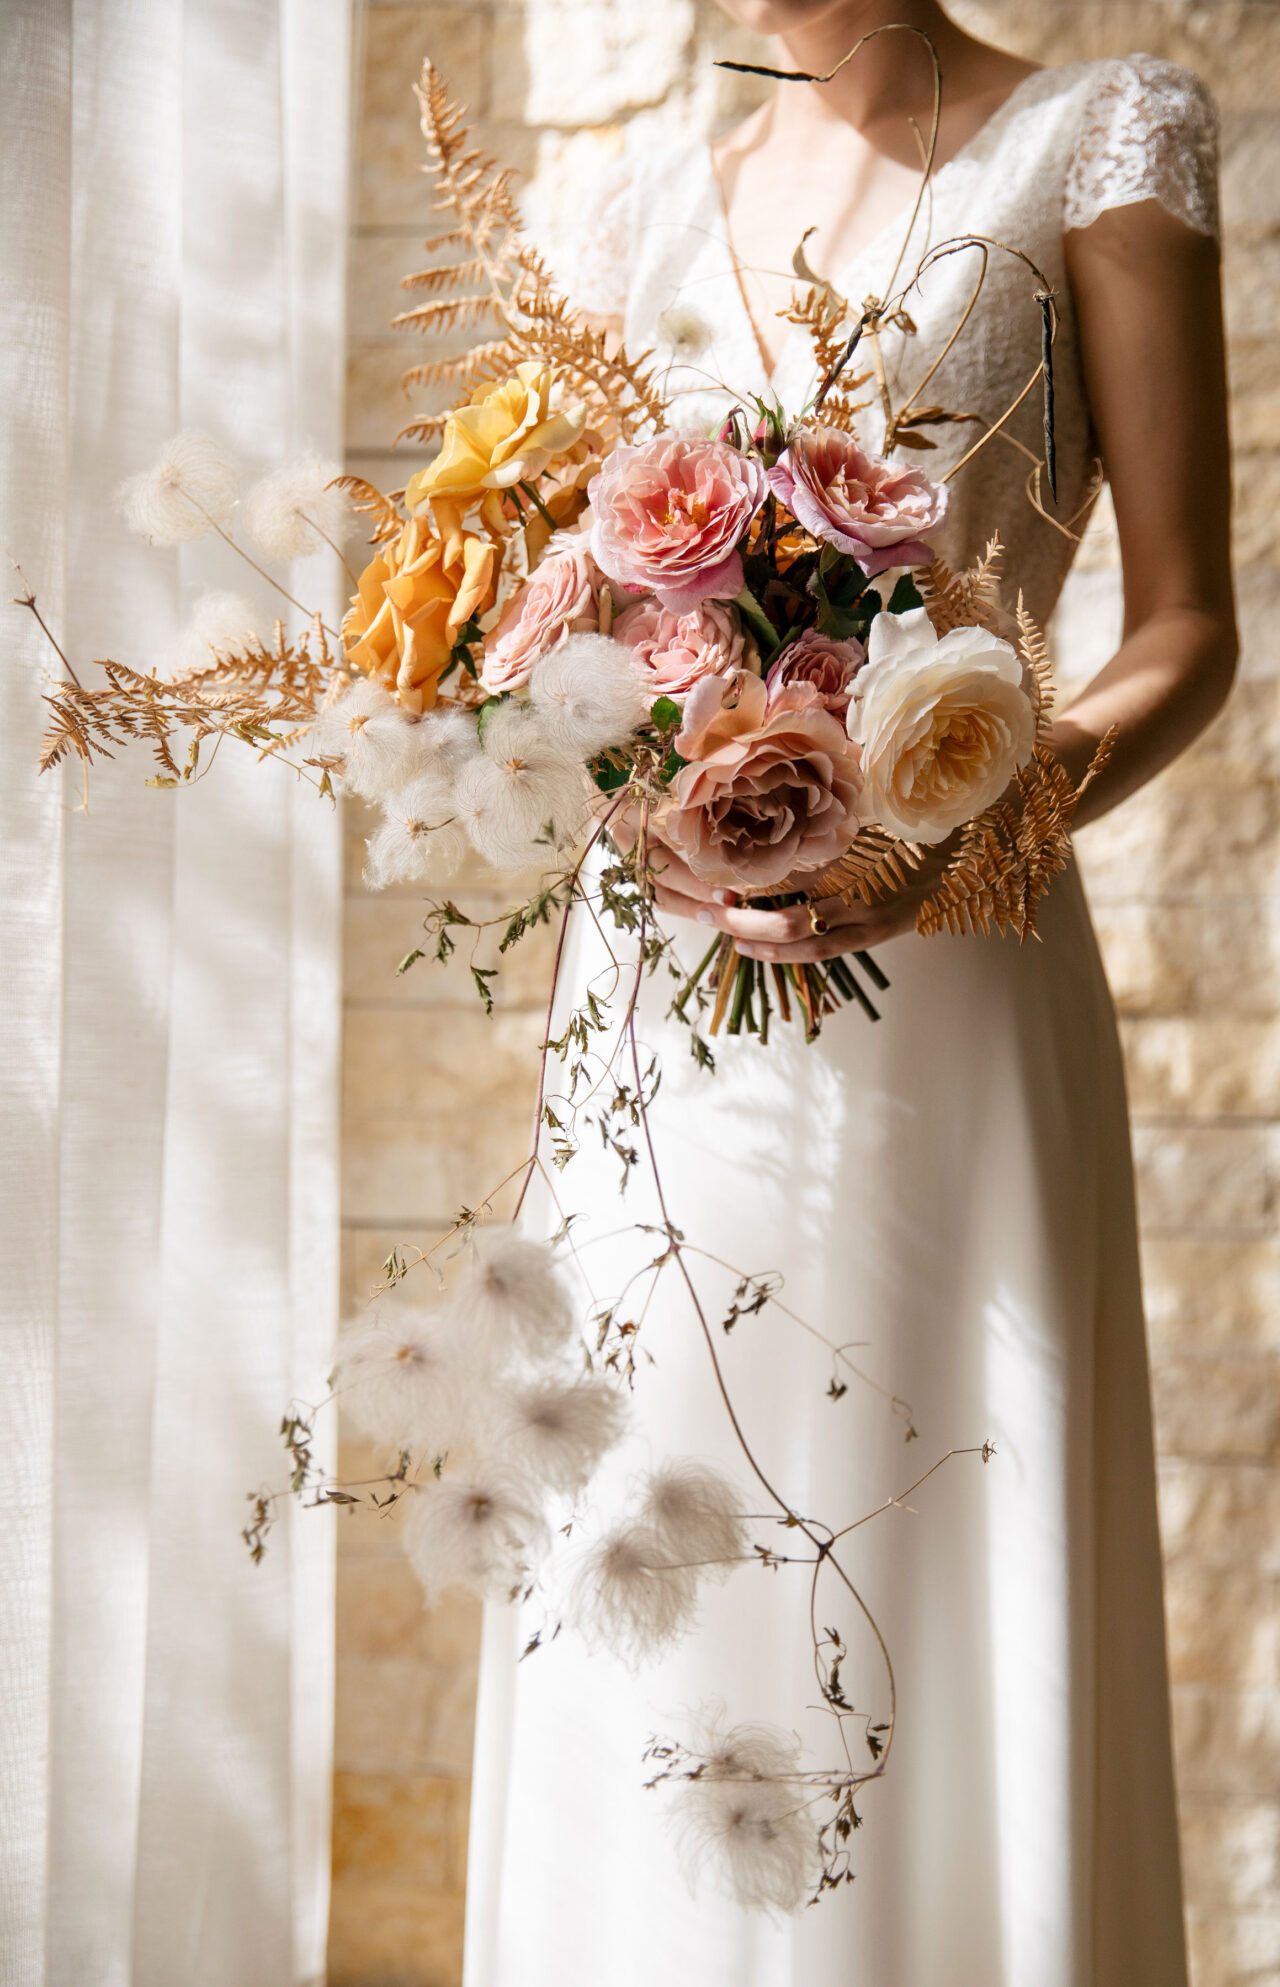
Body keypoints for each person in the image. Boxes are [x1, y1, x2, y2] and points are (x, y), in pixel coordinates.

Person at [464, 5, 1235, 1984]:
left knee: (924, 1518)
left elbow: (1182, 629)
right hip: (656, 996)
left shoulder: (1102, 134)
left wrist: (940, 845)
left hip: (951, 965)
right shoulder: (647, 195)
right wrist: (602, 773)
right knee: (649, 1522)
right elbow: (585, 623)